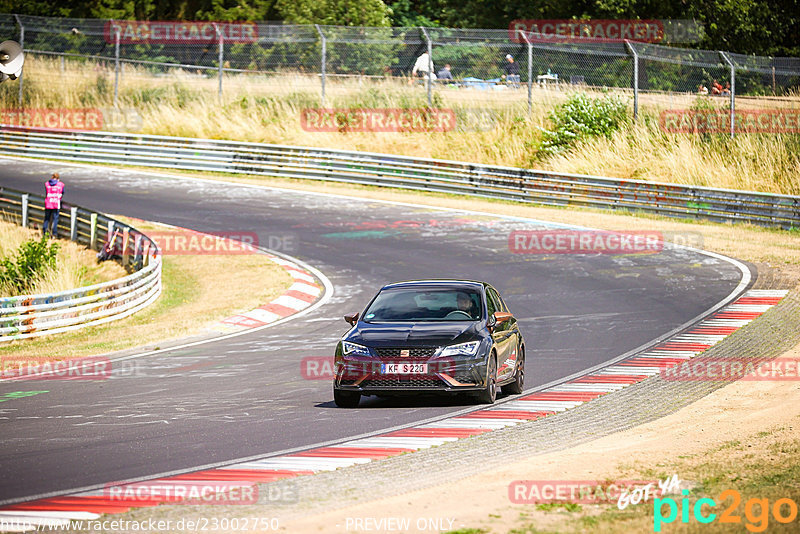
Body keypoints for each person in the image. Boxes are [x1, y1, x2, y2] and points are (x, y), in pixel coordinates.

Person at [43, 173, 64, 238]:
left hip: (48, 203)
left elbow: (46, 192)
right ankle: (54, 233)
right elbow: (62, 192)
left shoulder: (47, 184)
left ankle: (45, 233)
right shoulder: (61, 184)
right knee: (55, 219)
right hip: (56, 203)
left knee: (47, 219)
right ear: (58, 178)